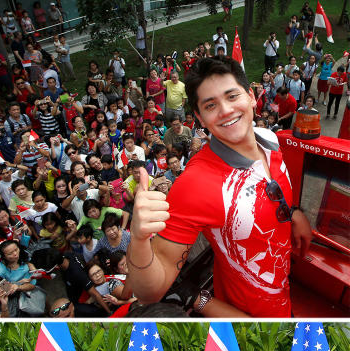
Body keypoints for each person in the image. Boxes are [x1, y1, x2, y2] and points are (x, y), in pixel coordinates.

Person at [127, 56, 312, 317]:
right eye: (211, 105)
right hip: (246, 319)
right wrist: (138, 238)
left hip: (284, 294)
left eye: (232, 96)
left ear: (250, 96)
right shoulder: (195, 184)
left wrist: (293, 212)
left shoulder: (270, 140)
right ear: (201, 119)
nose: (225, 110)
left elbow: (269, 190)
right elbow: (151, 292)